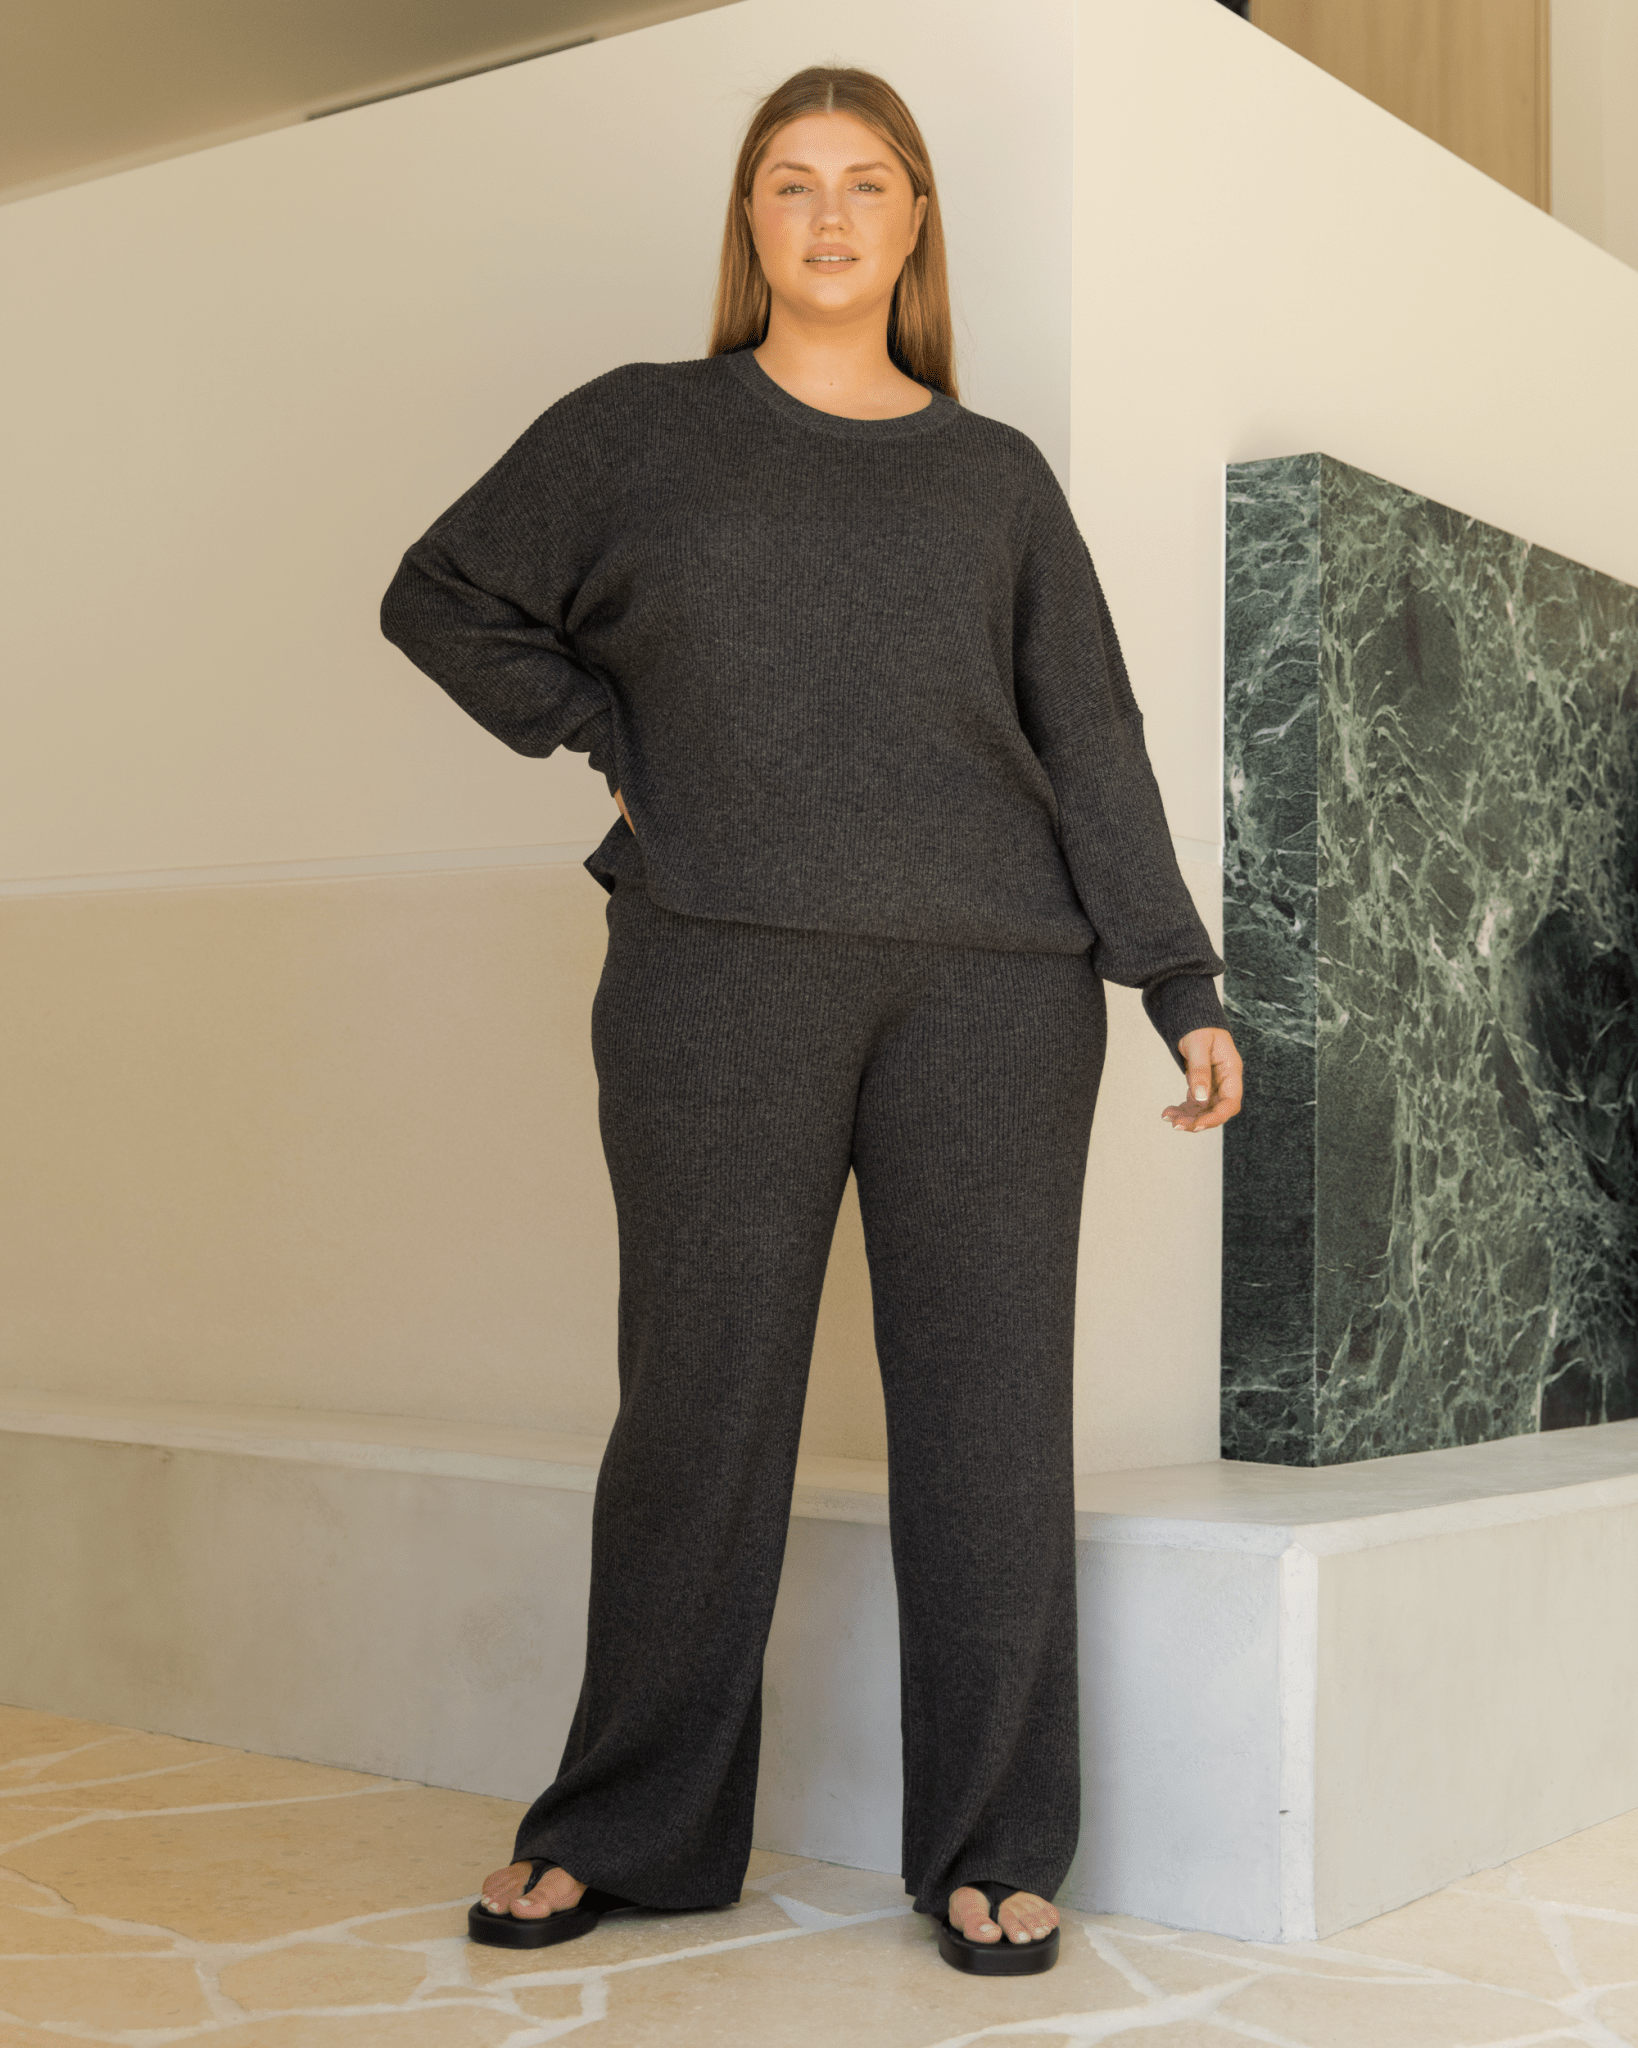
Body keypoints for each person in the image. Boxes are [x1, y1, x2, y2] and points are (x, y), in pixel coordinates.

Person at [380, 63, 1243, 1979]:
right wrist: (606, 735)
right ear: (749, 221)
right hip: (715, 970)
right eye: (791, 181)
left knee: (989, 1426)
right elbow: (439, 596)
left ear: (918, 220)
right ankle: (627, 1826)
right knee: (697, 1412)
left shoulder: (995, 476)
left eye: (867, 181)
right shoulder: (639, 430)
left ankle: (994, 1844)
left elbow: (1089, 734)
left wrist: (1174, 979)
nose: (831, 213)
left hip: (995, 990)